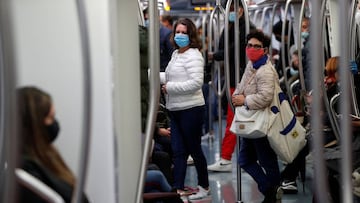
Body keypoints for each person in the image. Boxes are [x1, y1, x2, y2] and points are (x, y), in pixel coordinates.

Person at [160, 18, 210, 200]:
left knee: (194, 150)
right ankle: (178, 188)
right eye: (178, 32)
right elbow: (171, 75)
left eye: (184, 32)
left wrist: (170, 88)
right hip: (175, 109)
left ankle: (204, 186)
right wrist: (150, 76)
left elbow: (197, 83)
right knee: (179, 150)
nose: (180, 35)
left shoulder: (194, 55)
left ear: (191, 35)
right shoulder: (176, 54)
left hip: (191, 109)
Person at [232, 30, 282, 203]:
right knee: (245, 160)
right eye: (250, 45)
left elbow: (265, 97)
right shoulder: (251, 65)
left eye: (257, 46)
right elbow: (243, 85)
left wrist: (244, 99)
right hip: (251, 121)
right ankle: (271, 190)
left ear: (265, 50)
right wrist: (237, 95)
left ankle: (272, 194)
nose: (252, 49)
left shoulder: (265, 71)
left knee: (267, 160)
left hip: (262, 121)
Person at [17, 86, 89, 203]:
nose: (54, 123)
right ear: (34, 124)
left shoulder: (45, 158)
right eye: (50, 117)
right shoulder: (25, 172)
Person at [207, 0, 256, 172]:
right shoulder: (231, 27)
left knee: (234, 120)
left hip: (242, 81)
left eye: (234, 9)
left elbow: (231, 50)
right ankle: (246, 158)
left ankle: (227, 158)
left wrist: (216, 55)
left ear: (242, 9)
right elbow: (223, 47)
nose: (232, 13)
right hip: (235, 77)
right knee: (242, 121)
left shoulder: (247, 28)